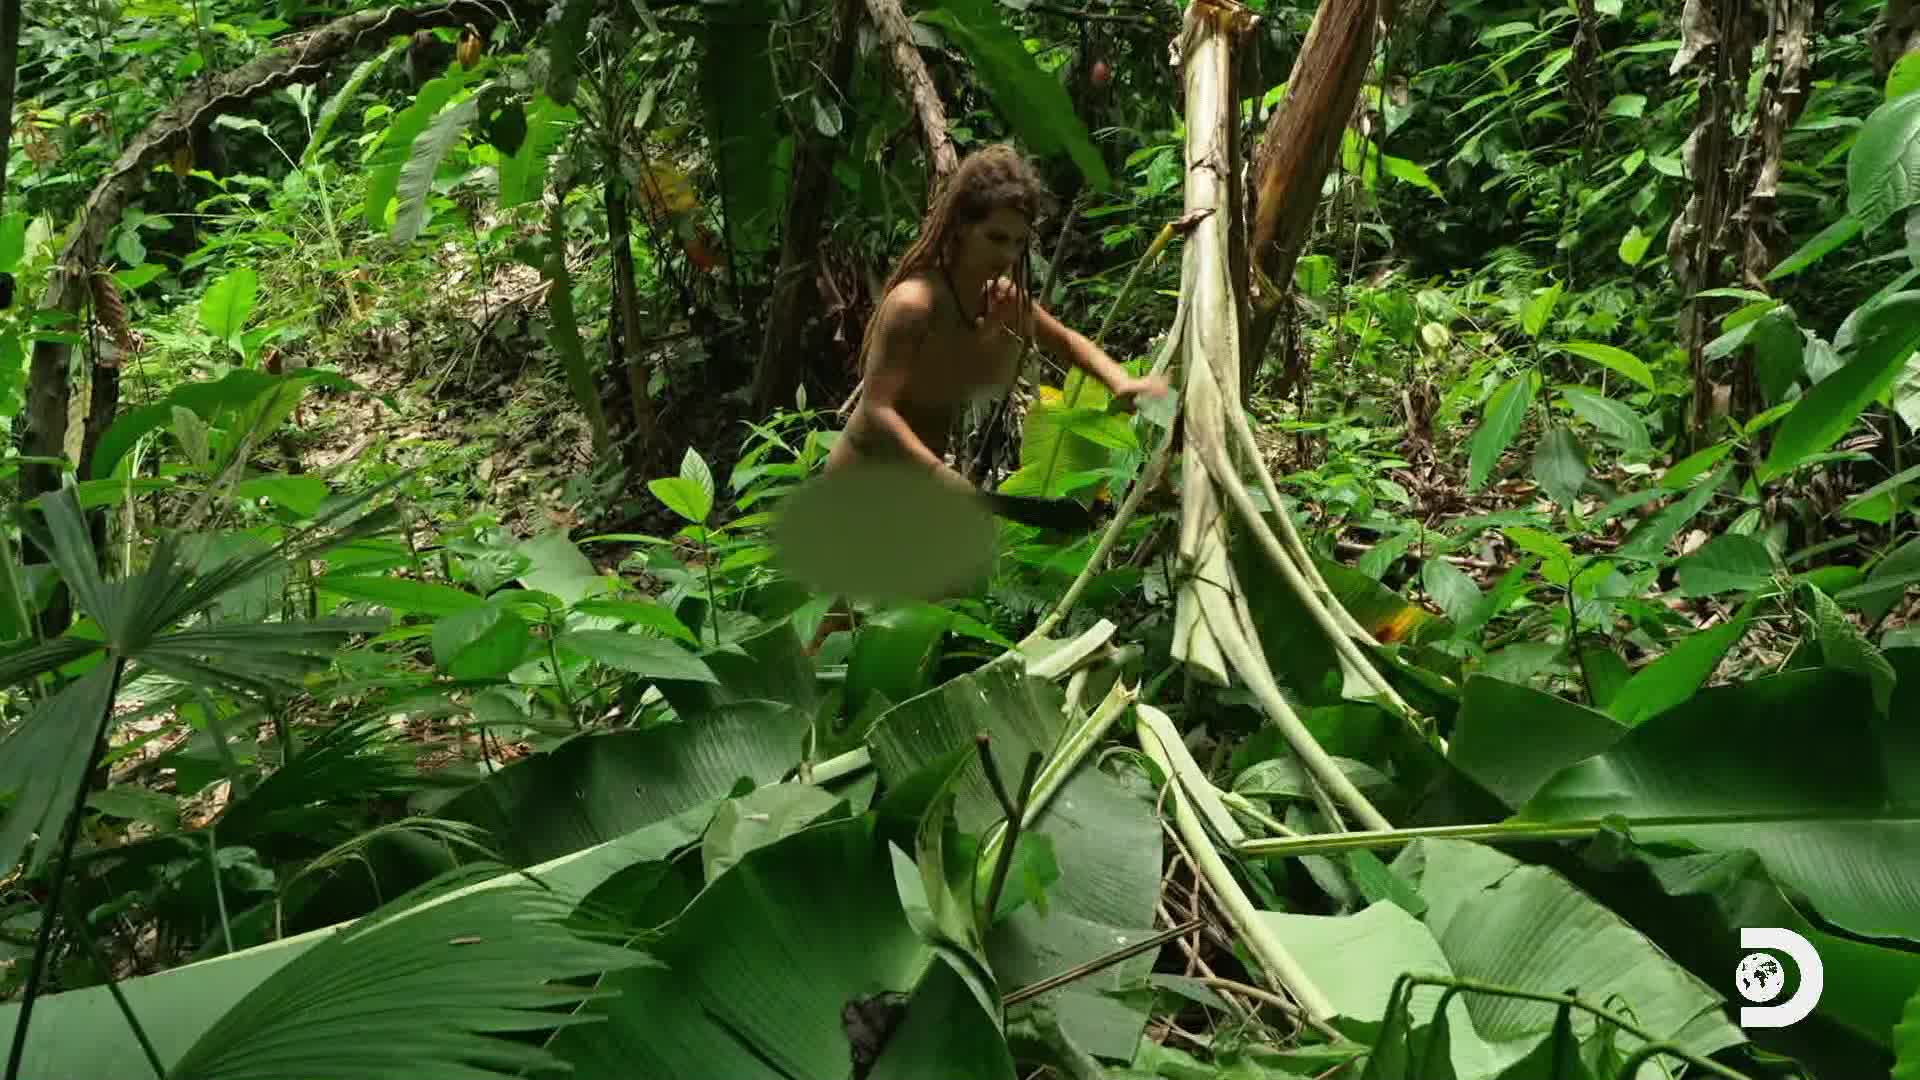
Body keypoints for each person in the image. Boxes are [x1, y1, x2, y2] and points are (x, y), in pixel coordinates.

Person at [827, 142, 1169, 486]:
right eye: (996, 238)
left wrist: (1119, 380)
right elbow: (877, 409)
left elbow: (1065, 341)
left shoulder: (997, 298)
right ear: (961, 226)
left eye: (1018, 243)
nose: (1008, 254)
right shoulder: (914, 305)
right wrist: (937, 473)